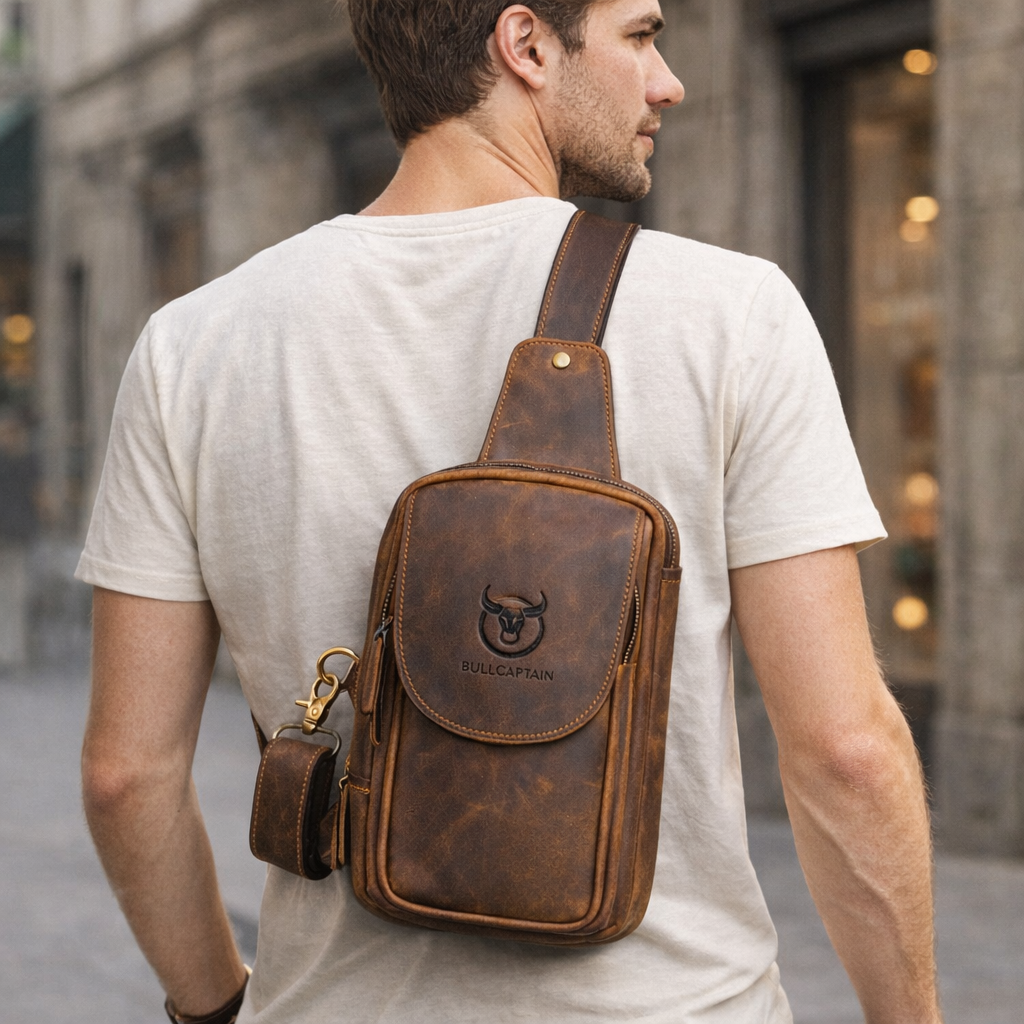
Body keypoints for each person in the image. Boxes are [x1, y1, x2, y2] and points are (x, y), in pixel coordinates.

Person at [78, 1, 943, 1022]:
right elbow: (845, 753)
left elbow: (127, 776)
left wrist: (216, 1006)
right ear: (525, 44)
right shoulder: (730, 313)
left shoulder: (192, 347)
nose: (666, 81)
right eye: (639, 35)